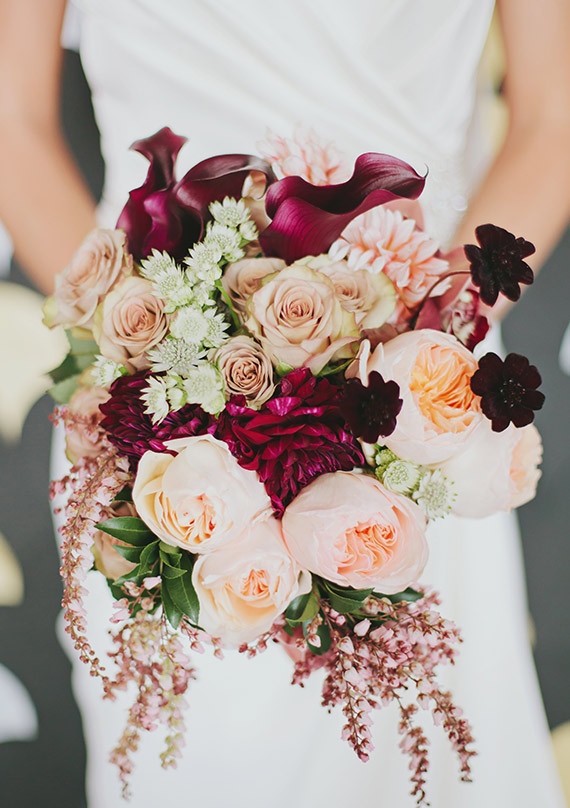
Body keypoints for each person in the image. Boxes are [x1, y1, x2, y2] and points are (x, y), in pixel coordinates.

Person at [0, 1, 568, 805]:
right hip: (154, 416)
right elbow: (12, 117)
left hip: (413, 401)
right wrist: (152, 352)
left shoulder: (416, 374)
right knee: (195, 758)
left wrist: (418, 342)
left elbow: (553, 113)